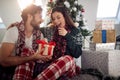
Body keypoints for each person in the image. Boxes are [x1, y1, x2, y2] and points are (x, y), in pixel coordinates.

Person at [0, 4, 81, 80]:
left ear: (65, 17)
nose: (55, 21)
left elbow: (77, 53)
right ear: (30, 16)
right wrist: (19, 24)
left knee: (68, 58)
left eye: (58, 17)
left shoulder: (76, 31)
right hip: (52, 65)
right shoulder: (51, 30)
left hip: (67, 65)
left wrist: (67, 35)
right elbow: (32, 27)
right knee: (27, 51)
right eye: (53, 19)